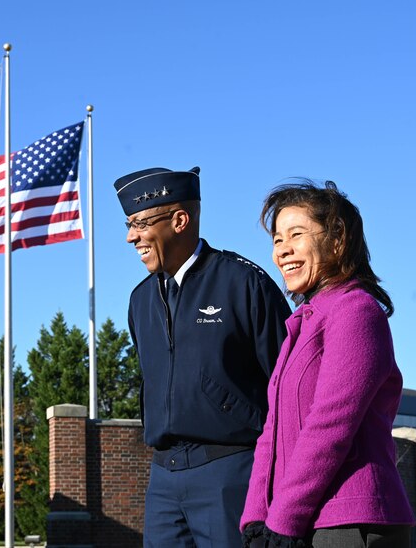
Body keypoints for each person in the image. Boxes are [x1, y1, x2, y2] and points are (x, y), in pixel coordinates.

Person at [114, 167, 291, 547]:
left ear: (179, 220)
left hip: (232, 473)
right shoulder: (139, 300)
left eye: (140, 223)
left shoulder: (245, 284)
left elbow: (290, 388)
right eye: (129, 224)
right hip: (163, 479)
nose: (132, 237)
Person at [240, 180, 415, 548]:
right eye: (276, 240)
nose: (282, 251)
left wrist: (283, 521)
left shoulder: (355, 311)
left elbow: (331, 424)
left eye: (296, 234)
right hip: (301, 519)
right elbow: (270, 432)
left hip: (352, 521)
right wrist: (256, 517)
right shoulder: (302, 322)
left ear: (337, 241)